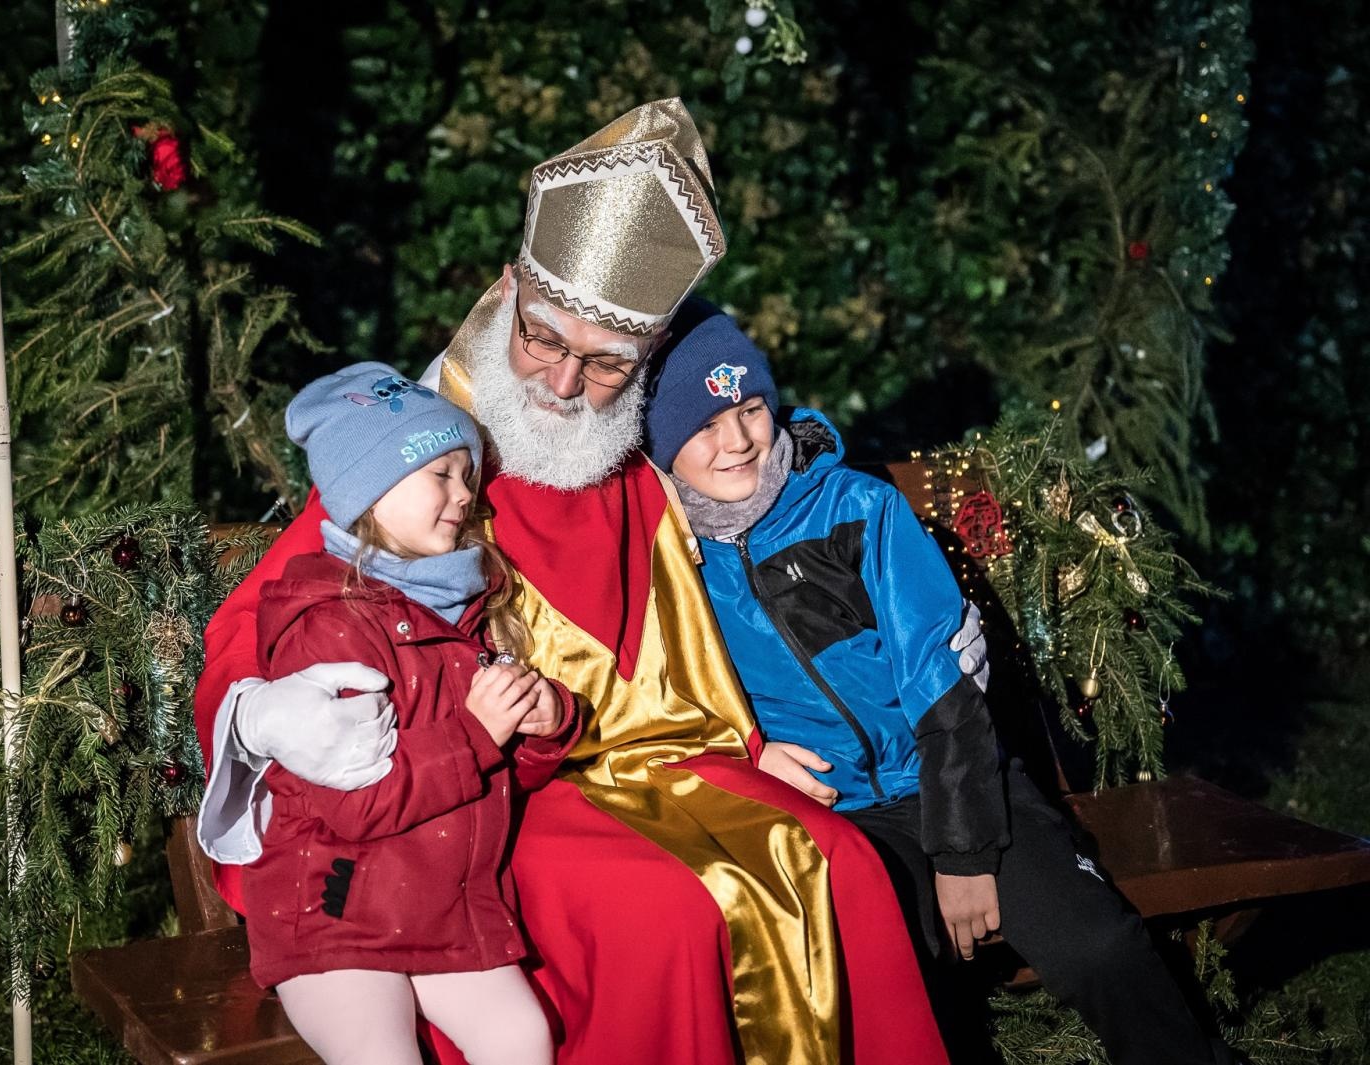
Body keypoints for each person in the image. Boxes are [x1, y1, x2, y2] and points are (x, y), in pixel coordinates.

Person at [197, 99, 970, 1065]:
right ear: (513, 287)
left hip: (668, 761)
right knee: (664, 917)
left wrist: (753, 738)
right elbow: (266, 609)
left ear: (647, 357)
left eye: (606, 364)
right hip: (490, 791)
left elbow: (743, 584)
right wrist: (265, 714)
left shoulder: (646, 453)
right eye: (542, 339)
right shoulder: (422, 441)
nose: (563, 385)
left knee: (841, 862)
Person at [639, 304, 1240, 1065]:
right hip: (840, 818)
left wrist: (963, 854)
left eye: (752, 409)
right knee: (889, 976)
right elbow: (668, 700)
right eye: (705, 425)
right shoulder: (672, 562)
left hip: (955, 776)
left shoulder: (857, 509)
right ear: (662, 445)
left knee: (1096, 944)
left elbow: (946, 686)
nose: (738, 441)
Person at [206, 362, 581, 1065]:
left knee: (522, 1037)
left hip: (442, 905)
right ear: (370, 491)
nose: (464, 495)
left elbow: (497, 770)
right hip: (336, 912)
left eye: (467, 475)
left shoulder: (459, 601)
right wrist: (476, 733)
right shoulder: (328, 626)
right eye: (440, 473)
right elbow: (355, 803)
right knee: (381, 1053)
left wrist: (543, 721)